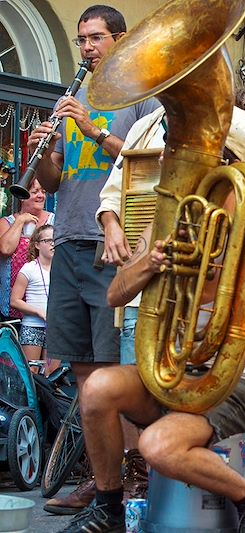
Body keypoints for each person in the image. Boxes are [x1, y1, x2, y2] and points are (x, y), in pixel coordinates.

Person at [58, 177, 245, 532]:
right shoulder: (165, 223)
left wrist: (175, 258)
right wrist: (149, 264)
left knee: (158, 447)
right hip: (170, 371)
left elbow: (211, 290)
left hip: (232, 379)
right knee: (97, 387)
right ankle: (108, 509)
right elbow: (115, 294)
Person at [26, 5, 161, 514]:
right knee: (84, 372)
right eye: (81, 39)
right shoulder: (74, 96)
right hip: (69, 243)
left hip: (117, 246)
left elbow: (153, 160)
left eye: (96, 38)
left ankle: (136, 477)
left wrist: (93, 129)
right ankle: (101, 479)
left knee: (114, 372)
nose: (86, 47)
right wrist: (45, 153)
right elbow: (57, 181)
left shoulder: (139, 97)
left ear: (119, 40)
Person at [0, 179, 54, 322]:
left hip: (45, 304)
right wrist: (20, 221)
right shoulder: (7, 222)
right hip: (12, 303)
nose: (41, 196)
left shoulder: (54, 221)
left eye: (43, 191)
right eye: (35, 192)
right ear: (21, 196)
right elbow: (5, 249)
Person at [10, 224, 55, 373]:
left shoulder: (63, 268)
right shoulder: (29, 268)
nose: (53, 244)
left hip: (56, 327)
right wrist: (39, 313)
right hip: (32, 326)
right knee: (31, 373)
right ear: (37, 245)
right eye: (48, 240)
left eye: (55, 240)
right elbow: (15, 300)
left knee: (52, 375)